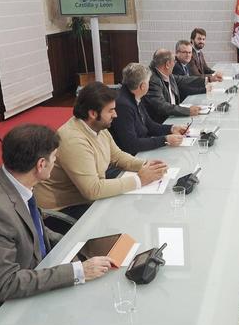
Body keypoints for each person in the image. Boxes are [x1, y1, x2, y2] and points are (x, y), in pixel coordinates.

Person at [0, 125, 113, 325]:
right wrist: (77, 272)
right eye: (54, 158)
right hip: (4, 312)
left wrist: (79, 247)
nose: (56, 162)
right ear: (41, 164)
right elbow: (5, 285)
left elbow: (35, 230)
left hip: (37, 272)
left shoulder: (14, 182)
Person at [34, 82, 167, 222]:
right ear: (92, 113)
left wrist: (146, 165)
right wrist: (139, 180)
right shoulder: (73, 139)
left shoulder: (98, 127)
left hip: (85, 197)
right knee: (123, 218)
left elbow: (117, 156)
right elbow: (92, 190)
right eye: (110, 110)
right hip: (62, 209)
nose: (115, 114)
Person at [110, 63, 189, 155]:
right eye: (148, 82)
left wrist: (171, 128)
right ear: (143, 86)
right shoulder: (123, 106)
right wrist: (165, 140)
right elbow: (131, 144)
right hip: (132, 157)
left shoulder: (135, 96)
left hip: (143, 150)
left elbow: (149, 125)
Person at [143, 49, 207, 124]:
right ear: (167, 64)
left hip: (173, 116)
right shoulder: (152, 80)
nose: (175, 64)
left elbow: (184, 79)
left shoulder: (167, 74)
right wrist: (187, 111)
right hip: (163, 122)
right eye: (174, 61)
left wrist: (208, 79)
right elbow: (162, 106)